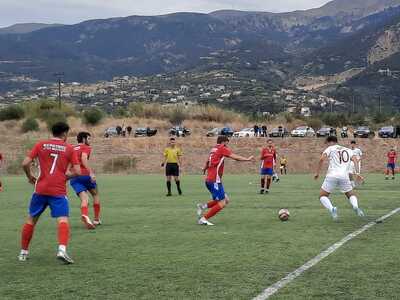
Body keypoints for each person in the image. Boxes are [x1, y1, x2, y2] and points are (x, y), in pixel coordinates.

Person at [18, 122, 80, 264]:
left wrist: (30, 177)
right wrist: (65, 177)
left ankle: (23, 252)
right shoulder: (69, 149)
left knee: (31, 220)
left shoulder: (41, 145)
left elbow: (24, 163)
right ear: (64, 133)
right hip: (58, 190)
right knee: (62, 219)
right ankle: (62, 250)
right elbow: (77, 171)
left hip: (40, 188)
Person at [196, 136, 254, 226]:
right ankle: (203, 219)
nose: (227, 145)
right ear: (224, 142)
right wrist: (247, 159)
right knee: (222, 202)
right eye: (227, 143)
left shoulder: (214, 149)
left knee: (225, 200)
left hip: (212, 179)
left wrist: (204, 168)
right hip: (214, 180)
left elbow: (208, 161)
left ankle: (203, 206)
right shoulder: (222, 148)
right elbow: (235, 157)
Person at [314, 136, 365, 220]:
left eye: (326, 143)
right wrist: (357, 173)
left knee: (322, 196)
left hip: (331, 176)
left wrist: (317, 173)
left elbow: (321, 159)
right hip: (344, 176)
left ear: (330, 142)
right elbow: (355, 160)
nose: (326, 145)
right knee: (350, 194)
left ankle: (332, 209)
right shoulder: (348, 150)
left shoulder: (330, 148)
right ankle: (355, 206)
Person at [70, 132, 102, 229]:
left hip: (74, 176)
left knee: (84, 199)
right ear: (84, 139)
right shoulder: (86, 147)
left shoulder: (71, 148)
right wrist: (91, 172)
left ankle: (85, 215)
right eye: (89, 138)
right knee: (95, 194)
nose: (90, 140)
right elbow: (84, 159)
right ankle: (96, 219)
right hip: (85, 175)